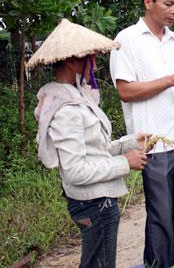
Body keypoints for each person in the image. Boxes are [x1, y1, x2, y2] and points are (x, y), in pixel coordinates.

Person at [27, 19, 148, 268]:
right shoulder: (65, 109)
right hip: (94, 204)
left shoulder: (77, 96)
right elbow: (75, 170)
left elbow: (94, 150)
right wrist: (124, 163)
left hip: (98, 200)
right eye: (88, 57)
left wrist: (129, 143)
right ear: (72, 60)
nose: (92, 63)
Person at [109, 0, 174, 268]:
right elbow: (125, 91)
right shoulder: (126, 40)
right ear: (148, 3)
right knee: (161, 216)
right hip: (153, 142)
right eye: (168, 4)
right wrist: (172, 80)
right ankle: (156, 264)